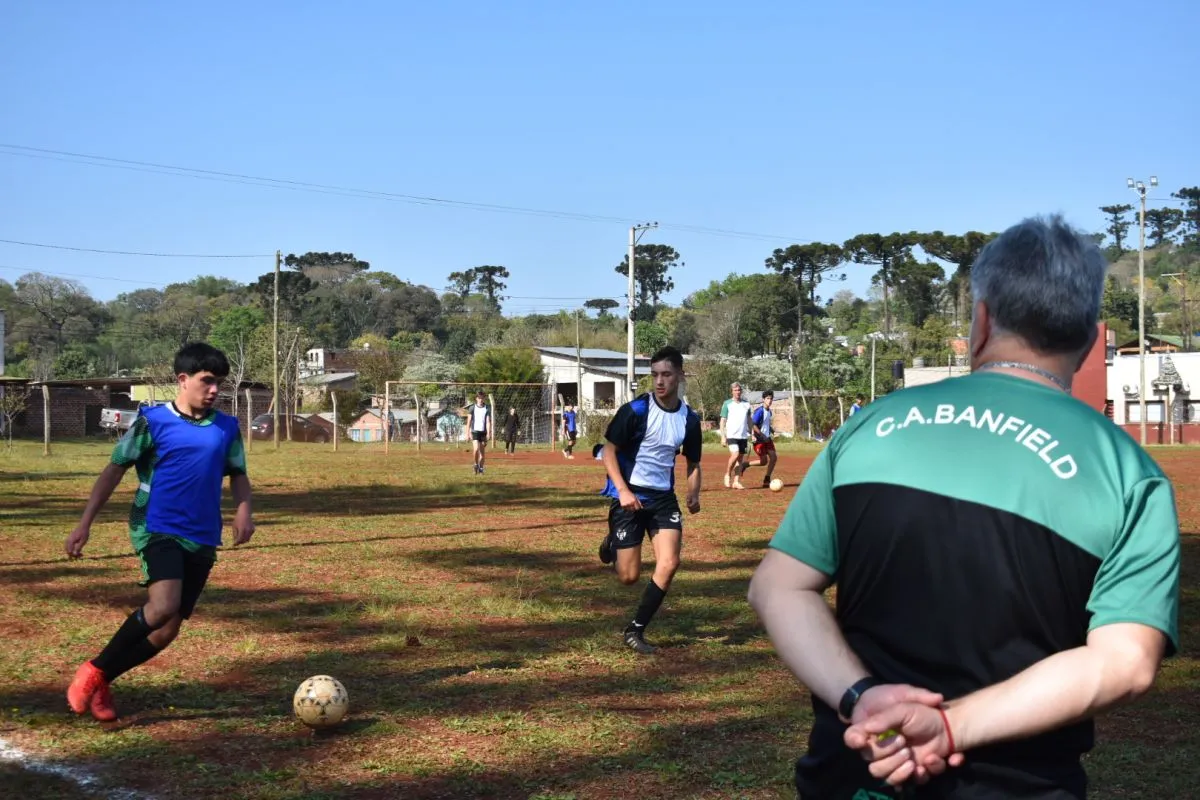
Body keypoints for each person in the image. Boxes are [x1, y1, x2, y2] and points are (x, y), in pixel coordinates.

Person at [748, 214, 1180, 799]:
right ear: (1088, 338)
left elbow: (778, 588)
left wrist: (860, 695)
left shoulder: (870, 428)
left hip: (854, 773)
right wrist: (951, 726)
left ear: (981, 320)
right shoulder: (1130, 475)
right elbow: (1125, 663)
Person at [64, 342, 255, 722]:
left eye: (220, 382)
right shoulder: (153, 421)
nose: (215, 389)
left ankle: (103, 678)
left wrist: (243, 512)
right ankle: (94, 669)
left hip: (202, 533)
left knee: (168, 629)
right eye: (207, 381)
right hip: (156, 525)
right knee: (163, 604)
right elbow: (114, 469)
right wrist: (85, 522)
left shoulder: (226, 427)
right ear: (182, 380)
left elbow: (238, 474)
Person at [597, 346, 702, 655]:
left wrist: (694, 492)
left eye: (666, 374)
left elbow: (693, 464)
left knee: (669, 563)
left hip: (663, 500)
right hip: (630, 496)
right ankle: (612, 541)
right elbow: (609, 451)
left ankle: (636, 630)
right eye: (654, 374)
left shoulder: (689, 421)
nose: (659, 381)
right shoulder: (636, 411)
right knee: (629, 577)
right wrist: (623, 492)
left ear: (680, 376)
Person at [741, 389, 778, 488]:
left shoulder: (769, 411)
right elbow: (753, 425)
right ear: (763, 399)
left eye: (771, 398)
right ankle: (745, 464)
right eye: (767, 398)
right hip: (759, 439)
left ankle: (767, 478)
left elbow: (765, 424)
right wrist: (761, 435)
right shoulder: (760, 411)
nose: (769, 400)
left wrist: (772, 430)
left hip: (767, 439)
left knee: (774, 457)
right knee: (764, 461)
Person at [720, 382, 753, 489]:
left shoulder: (746, 404)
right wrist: (723, 436)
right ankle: (727, 474)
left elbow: (749, 420)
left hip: (743, 436)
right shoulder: (727, 404)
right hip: (731, 435)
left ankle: (736, 481)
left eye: (739, 390)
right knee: (735, 454)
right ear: (732, 391)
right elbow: (722, 421)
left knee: (740, 460)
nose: (737, 392)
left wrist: (752, 433)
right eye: (735, 390)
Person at [468, 392, 491, 474]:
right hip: (475, 431)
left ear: (484, 399)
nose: (481, 400)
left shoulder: (487, 408)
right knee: (476, 449)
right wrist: (468, 433)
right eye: (479, 398)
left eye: (482, 398)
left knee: (482, 453)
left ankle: (481, 468)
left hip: (483, 432)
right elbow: (469, 421)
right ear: (476, 399)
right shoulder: (472, 408)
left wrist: (488, 433)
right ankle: (475, 464)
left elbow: (488, 421)